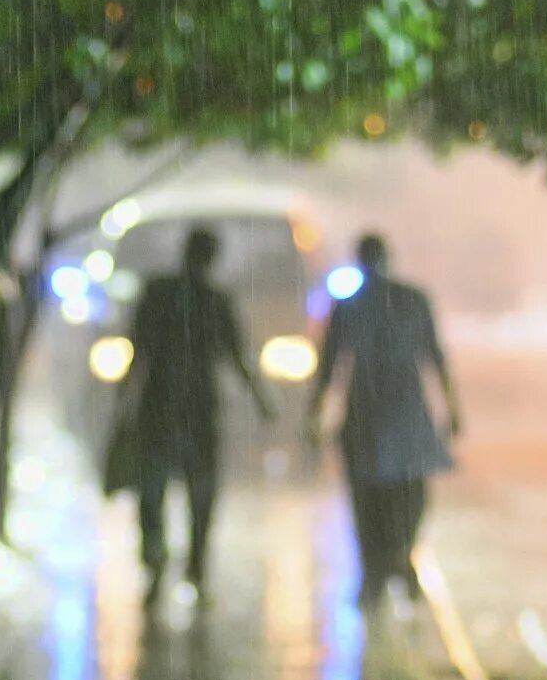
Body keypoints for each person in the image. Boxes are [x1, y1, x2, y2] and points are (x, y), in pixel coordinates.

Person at [119, 226, 272, 606]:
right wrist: (261, 400)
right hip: (199, 407)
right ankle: (196, 569)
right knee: (200, 491)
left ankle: (155, 560)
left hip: (159, 403)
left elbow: (137, 349)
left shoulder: (157, 292)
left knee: (152, 489)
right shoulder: (215, 300)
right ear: (211, 258)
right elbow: (237, 357)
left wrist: (124, 396)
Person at [308, 234, 460, 607]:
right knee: (409, 492)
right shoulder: (411, 299)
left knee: (367, 497)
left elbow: (330, 369)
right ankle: (398, 554)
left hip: (367, 412)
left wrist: (313, 416)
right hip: (404, 410)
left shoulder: (349, 307)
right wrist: (453, 409)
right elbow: (435, 357)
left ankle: (379, 566)